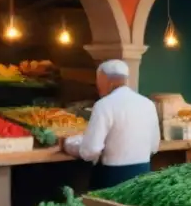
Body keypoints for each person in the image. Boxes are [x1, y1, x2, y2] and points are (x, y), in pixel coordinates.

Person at [65, 60, 160, 190]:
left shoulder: (103, 105)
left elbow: (90, 151)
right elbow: (154, 146)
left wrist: (69, 145)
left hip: (112, 178)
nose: (97, 86)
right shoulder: (148, 104)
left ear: (106, 81)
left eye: (98, 81)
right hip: (143, 175)